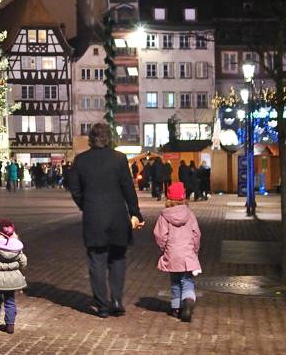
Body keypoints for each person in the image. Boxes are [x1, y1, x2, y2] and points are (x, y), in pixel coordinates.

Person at [69, 123, 144, 318]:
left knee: (97, 261)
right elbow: (128, 188)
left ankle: (102, 305)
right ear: (109, 138)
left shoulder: (81, 160)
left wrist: (86, 204)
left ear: (91, 139)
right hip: (118, 216)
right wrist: (135, 213)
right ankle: (117, 299)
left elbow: (74, 189)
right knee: (118, 258)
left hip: (94, 217)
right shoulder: (119, 159)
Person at [153, 182, 202, 322]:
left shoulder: (164, 216)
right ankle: (188, 299)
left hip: (172, 253)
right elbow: (196, 234)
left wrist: (164, 248)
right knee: (187, 280)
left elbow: (160, 235)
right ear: (183, 196)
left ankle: (176, 308)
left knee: (175, 281)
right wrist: (195, 250)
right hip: (187, 253)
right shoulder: (190, 214)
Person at [0, 219, 27, 334]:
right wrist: (21, 270)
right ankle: (10, 325)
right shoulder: (17, 245)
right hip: (12, 278)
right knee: (10, 301)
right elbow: (23, 261)